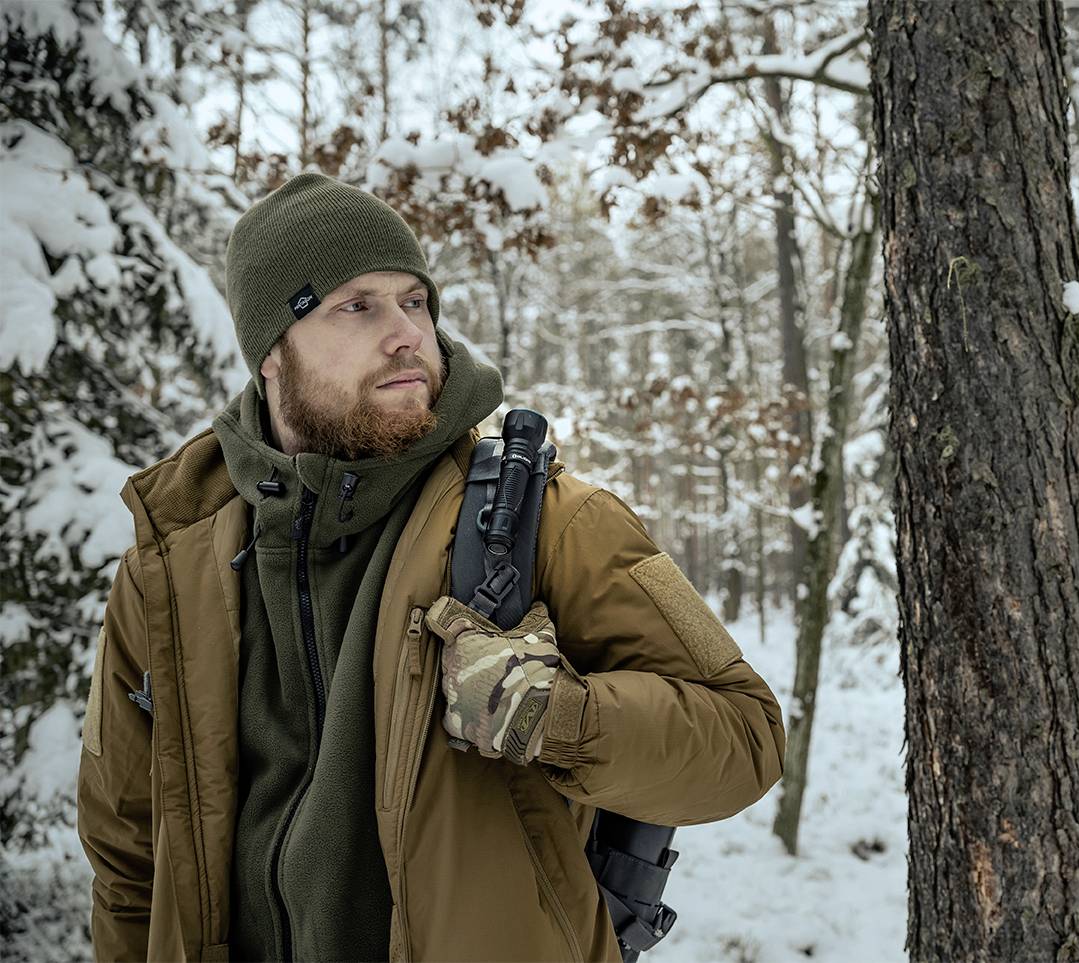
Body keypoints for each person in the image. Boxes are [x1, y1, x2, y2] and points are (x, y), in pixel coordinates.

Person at [76, 171, 787, 963]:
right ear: (270, 353)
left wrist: (559, 718)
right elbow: (127, 853)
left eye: (414, 301)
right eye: (357, 305)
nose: (406, 333)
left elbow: (746, 738)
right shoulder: (169, 566)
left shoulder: (550, 520)